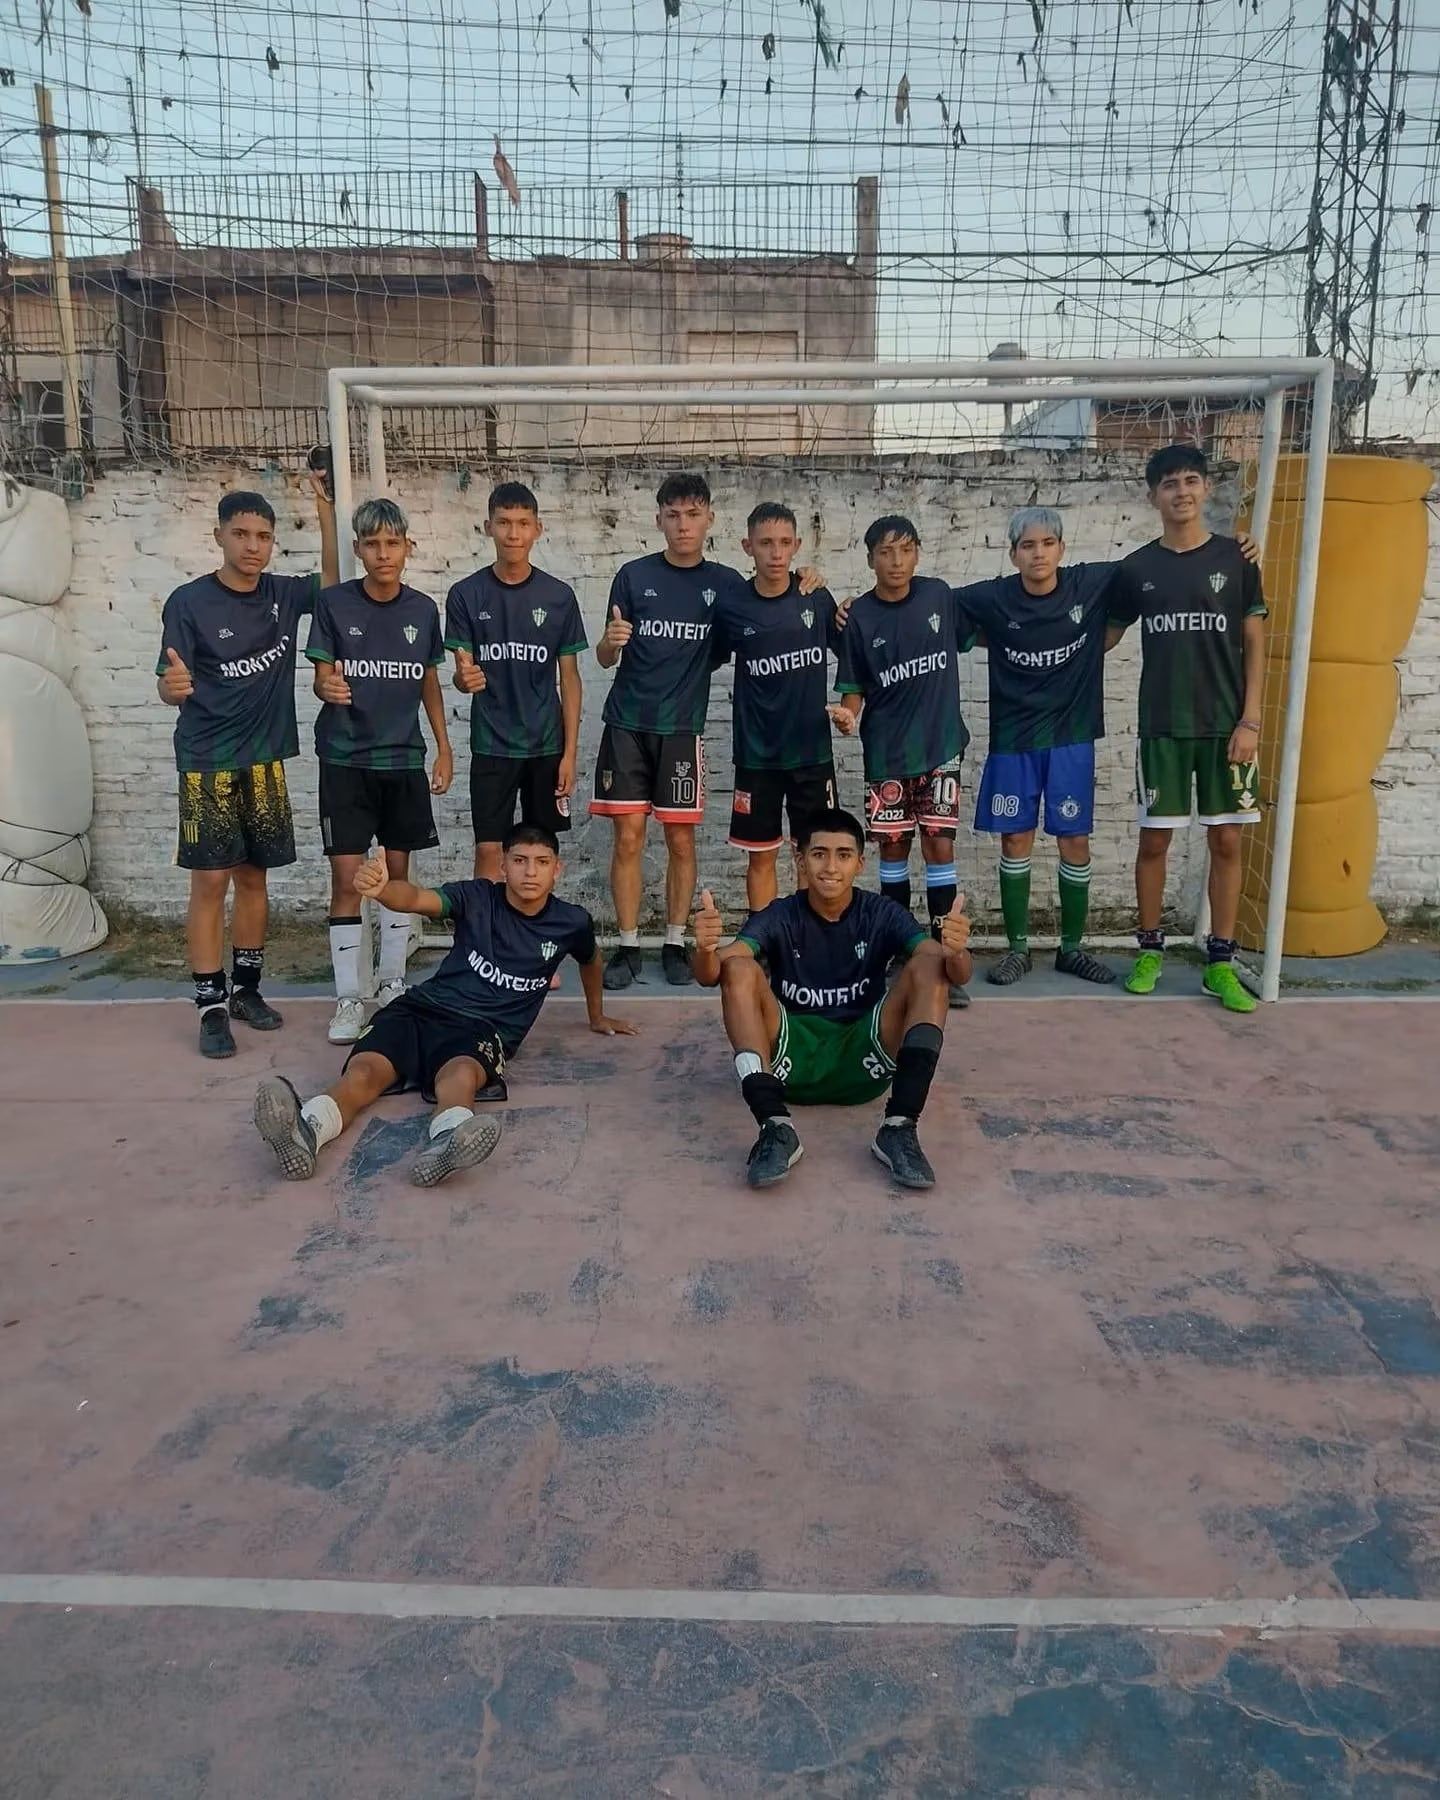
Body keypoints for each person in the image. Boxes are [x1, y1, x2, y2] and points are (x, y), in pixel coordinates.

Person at [253, 824, 638, 1188]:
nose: (530, 872)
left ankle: (447, 1140)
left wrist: (597, 1015)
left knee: (460, 1075)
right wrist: (384, 890)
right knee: (364, 1073)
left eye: (541, 862)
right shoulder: (476, 897)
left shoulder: (571, 922)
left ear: (557, 869)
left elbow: (591, 960)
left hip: (482, 1029)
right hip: (420, 1008)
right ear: (503, 866)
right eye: (520, 860)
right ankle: (307, 1129)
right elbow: (417, 899)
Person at [591, 471, 821, 991]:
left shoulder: (727, 586)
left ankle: (675, 941)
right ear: (659, 520)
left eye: (693, 515)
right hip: (627, 724)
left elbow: (770, 605)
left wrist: (810, 579)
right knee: (628, 838)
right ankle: (628, 945)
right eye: (673, 515)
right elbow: (605, 657)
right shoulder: (632, 576)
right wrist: (609, 642)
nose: (683, 525)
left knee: (680, 838)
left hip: (682, 728)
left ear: (710, 520)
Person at [692, 807, 971, 1191]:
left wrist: (957, 952)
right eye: (819, 854)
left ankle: (899, 1126)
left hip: (866, 1057)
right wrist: (705, 949)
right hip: (790, 1064)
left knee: (930, 966)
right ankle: (774, 1126)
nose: (831, 867)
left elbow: (953, 972)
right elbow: (712, 973)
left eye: (843, 855)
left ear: (860, 863)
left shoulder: (881, 912)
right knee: (738, 969)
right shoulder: (781, 914)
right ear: (801, 860)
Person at [157, 479, 339, 1059]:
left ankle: (247, 991)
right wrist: (170, 687)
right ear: (219, 537)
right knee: (211, 882)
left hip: (263, 761)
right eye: (240, 534)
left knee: (255, 879)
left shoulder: (283, 594)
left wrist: (326, 508)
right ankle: (210, 1006)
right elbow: (168, 683)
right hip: (207, 761)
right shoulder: (188, 602)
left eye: (263, 536)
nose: (252, 545)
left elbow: (334, 580)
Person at [1108, 443, 1268, 1014]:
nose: (1182, 491)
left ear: (1206, 488)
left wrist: (1251, 719)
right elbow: (1107, 635)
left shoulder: (1236, 557)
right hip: (1163, 728)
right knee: (1155, 841)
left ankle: (1220, 963)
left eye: (1191, 480)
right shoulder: (1136, 568)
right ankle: (1150, 951)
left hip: (1228, 728)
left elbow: (1255, 642)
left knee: (1226, 840)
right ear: (1153, 496)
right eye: (1170, 483)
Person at [306, 498, 452, 1045]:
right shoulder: (334, 604)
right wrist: (325, 686)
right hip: (345, 759)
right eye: (372, 544)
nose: (383, 553)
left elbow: (429, 681)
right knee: (348, 879)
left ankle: (391, 982)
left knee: (395, 877)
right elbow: (322, 675)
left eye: (393, 543)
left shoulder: (423, 610)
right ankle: (349, 996)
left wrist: (443, 747)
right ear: (359, 549)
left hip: (402, 760)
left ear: (407, 547)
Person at [955, 506, 1118, 986]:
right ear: (1013, 554)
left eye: (1047, 543)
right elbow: (932, 603)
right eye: (1028, 545)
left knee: (1074, 839)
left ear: (1062, 549)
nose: (1038, 553)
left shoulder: (1090, 583)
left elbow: (1150, 573)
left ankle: (1072, 948)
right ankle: (1018, 949)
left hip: (1071, 737)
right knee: (1015, 839)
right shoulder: (993, 597)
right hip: (1014, 738)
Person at [831, 515, 971, 1005]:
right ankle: (901, 953)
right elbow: (852, 691)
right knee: (892, 855)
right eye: (886, 552)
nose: (896, 561)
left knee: (939, 849)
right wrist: (847, 717)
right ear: (870, 559)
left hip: (940, 749)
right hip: (887, 755)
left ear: (918, 553)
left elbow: (984, 626)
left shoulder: (940, 597)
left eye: (905, 550)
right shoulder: (859, 618)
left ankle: (942, 956)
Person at [445, 482, 588, 881]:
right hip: (492, 744)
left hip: (546, 745)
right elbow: (462, 673)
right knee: (489, 849)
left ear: (537, 529)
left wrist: (570, 753)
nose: (513, 533)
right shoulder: (466, 594)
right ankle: (485, 921)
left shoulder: (559, 596)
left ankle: (539, 921)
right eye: (504, 522)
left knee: (540, 852)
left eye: (523, 523)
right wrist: (463, 679)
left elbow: (570, 679)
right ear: (487, 527)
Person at [718, 501, 846, 911]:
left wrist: (851, 707)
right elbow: (702, 659)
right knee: (762, 856)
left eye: (785, 543)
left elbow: (853, 654)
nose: (776, 553)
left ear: (797, 545)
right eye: (766, 543)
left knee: (815, 854)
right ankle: (764, 938)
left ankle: (813, 936)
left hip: (812, 753)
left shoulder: (815, 596)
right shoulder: (732, 606)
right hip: (758, 756)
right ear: (748, 546)